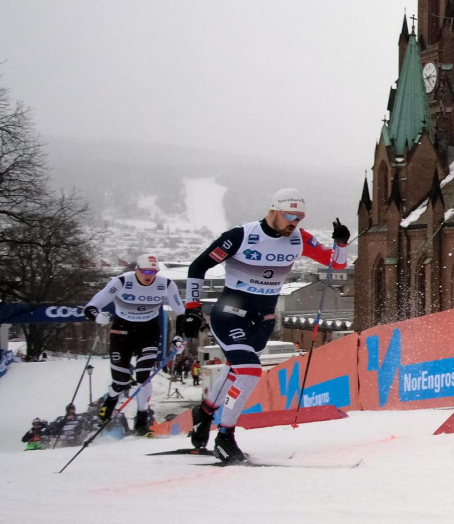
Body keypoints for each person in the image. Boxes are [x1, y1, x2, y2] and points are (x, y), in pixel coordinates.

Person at [181, 188, 349, 463]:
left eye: (300, 217)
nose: (295, 222)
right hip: (230, 314)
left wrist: (341, 242)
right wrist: (191, 309)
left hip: (264, 319)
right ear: (273, 210)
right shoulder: (241, 236)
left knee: (235, 370)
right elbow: (198, 267)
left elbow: (336, 264)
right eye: (290, 215)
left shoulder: (299, 238)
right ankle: (225, 436)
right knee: (248, 371)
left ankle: (206, 410)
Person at [83, 253, 187, 438]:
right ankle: (110, 402)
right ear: (136, 270)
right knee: (121, 380)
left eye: (154, 271)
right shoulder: (121, 282)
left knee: (143, 376)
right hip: (121, 333)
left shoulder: (166, 284)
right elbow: (91, 307)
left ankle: (141, 419)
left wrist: (179, 336)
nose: (149, 275)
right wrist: (97, 317)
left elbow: (180, 313)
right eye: (146, 271)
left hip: (148, 333)